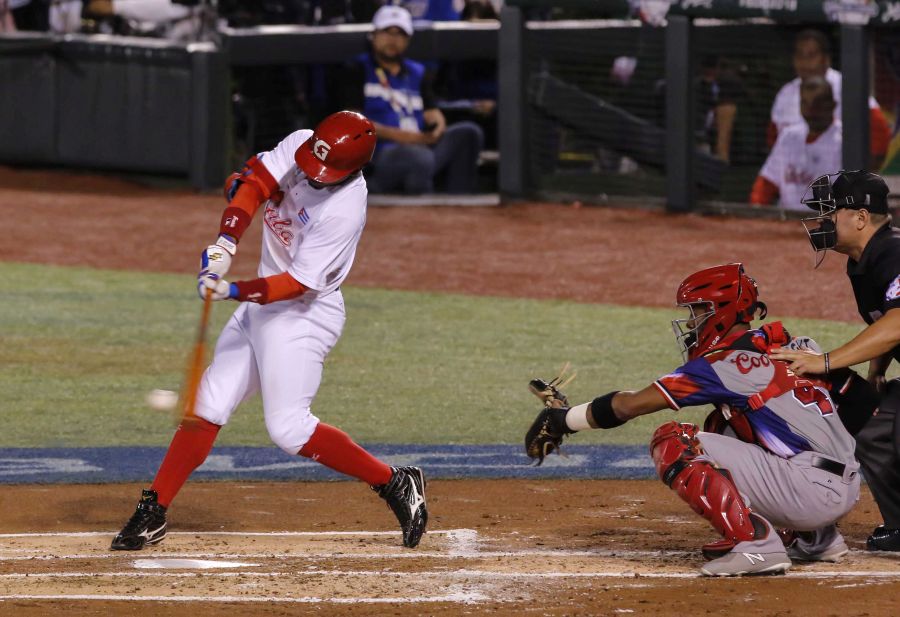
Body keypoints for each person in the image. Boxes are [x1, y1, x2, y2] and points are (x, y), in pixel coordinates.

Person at [110, 111, 429, 552]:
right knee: (207, 405)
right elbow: (253, 184)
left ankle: (394, 481)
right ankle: (153, 512)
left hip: (303, 315)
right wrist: (225, 242)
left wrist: (233, 289)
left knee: (289, 429)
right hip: (261, 310)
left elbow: (296, 284)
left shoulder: (345, 209)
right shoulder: (302, 144)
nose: (314, 178)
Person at [525, 263, 878, 576]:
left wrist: (564, 420)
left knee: (674, 439)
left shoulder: (724, 364)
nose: (691, 321)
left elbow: (630, 405)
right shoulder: (792, 345)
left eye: (697, 310)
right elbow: (862, 402)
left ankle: (755, 545)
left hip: (808, 491)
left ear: (721, 311)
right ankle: (816, 537)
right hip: (842, 485)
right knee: (722, 424)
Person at [770, 170, 900, 552]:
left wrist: (825, 362)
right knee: (872, 421)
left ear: (860, 218)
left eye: (830, 215)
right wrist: (878, 369)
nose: (822, 223)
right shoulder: (865, 261)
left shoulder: (893, 253)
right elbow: (885, 319)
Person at [335, 4, 484, 194]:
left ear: (408, 40)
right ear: (374, 35)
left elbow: (433, 113)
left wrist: (436, 128)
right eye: (387, 32)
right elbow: (353, 123)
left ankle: (457, 201)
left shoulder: (418, 72)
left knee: (468, 133)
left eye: (400, 34)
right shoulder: (356, 69)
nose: (393, 40)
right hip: (382, 152)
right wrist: (409, 139)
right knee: (418, 157)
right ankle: (388, 191)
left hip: (421, 146)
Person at [769, 29, 890, 171]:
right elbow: (773, 141)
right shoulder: (785, 94)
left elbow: (880, 134)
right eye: (799, 55)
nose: (804, 62)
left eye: (811, 55)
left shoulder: (846, 87)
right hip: (799, 181)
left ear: (826, 59)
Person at [750, 76, 841, 210]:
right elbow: (767, 182)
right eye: (805, 103)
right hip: (786, 222)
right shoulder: (789, 136)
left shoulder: (843, 141)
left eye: (817, 104)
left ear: (832, 105)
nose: (810, 110)